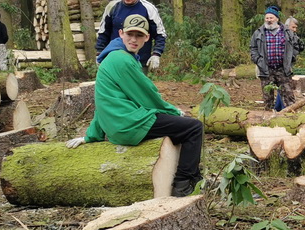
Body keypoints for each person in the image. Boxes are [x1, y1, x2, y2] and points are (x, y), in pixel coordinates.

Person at [67, 14, 203, 197]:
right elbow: (147, 95)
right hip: (129, 124)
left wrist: (92, 135)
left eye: (139, 35)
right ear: (121, 33)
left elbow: (104, 100)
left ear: (147, 38)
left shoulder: (115, 57)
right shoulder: (122, 60)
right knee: (194, 128)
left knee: (178, 129)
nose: (134, 39)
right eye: (130, 34)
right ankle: (183, 184)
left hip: (120, 124)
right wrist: (173, 111)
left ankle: (192, 176)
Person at [95, 0, 167, 71]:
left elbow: (160, 33)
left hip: (140, 61)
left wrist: (156, 54)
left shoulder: (148, 8)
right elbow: (103, 32)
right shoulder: (112, 7)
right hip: (115, 58)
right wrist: (99, 53)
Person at [249, 6, 301, 110]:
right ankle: (269, 117)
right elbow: (253, 48)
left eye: (271, 18)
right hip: (266, 69)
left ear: (277, 19)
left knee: (288, 97)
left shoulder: (287, 32)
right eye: (267, 18)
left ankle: (291, 116)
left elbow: (297, 45)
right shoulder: (258, 33)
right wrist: (258, 60)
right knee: (268, 98)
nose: (269, 20)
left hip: (283, 69)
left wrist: (291, 57)